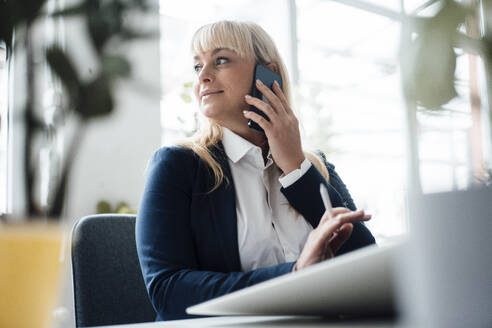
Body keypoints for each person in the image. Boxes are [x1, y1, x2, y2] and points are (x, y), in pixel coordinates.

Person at [136, 20, 376, 321]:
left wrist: (295, 168)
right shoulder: (177, 165)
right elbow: (167, 291)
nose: (204, 77)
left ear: (268, 72)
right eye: (198, 67)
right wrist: (296, 275)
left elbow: (365, 266)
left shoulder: (316, 167)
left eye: (221, 60)